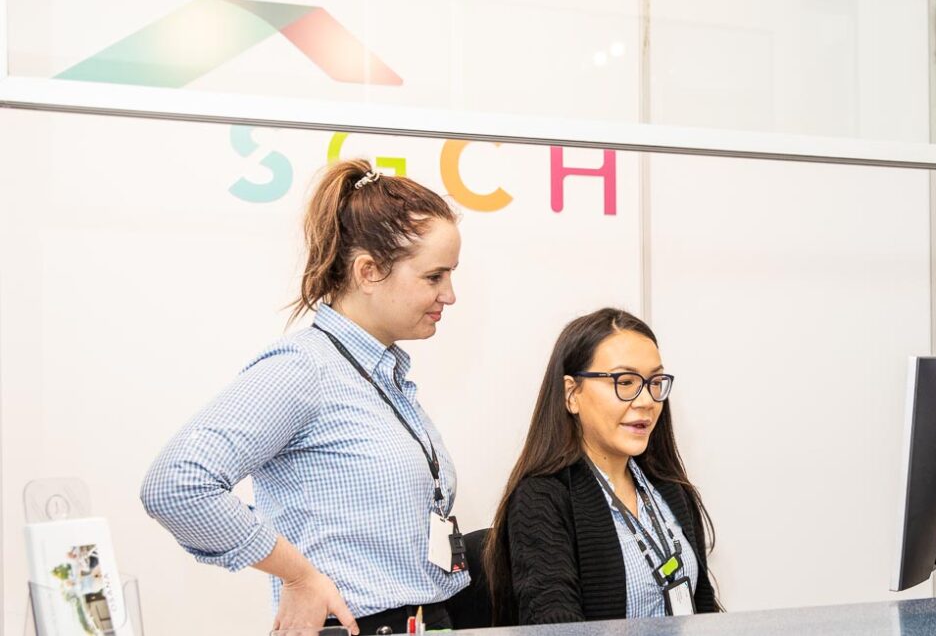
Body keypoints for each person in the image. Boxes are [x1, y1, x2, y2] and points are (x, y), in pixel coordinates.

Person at [140, 159, 468, 634]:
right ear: (368, 271)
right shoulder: (304, 369)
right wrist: (298, 575)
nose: (450, 295)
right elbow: (176, 485)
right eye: (434, 277)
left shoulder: (382, 375)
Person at [483, 308, 720, 625]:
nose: (646, 400)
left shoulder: (668, 488)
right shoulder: (541, 499)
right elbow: (556, 626)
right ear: (572, 394)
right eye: (625, 381)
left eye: (655, 381)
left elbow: (705, 614)